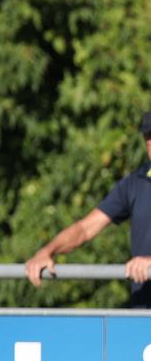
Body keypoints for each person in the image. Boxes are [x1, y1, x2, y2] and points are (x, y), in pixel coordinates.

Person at [25, 111, 151, 307]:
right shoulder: (134, 183)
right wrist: (48, 251)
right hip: (141, 316)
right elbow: (85, 228)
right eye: (148, 136)